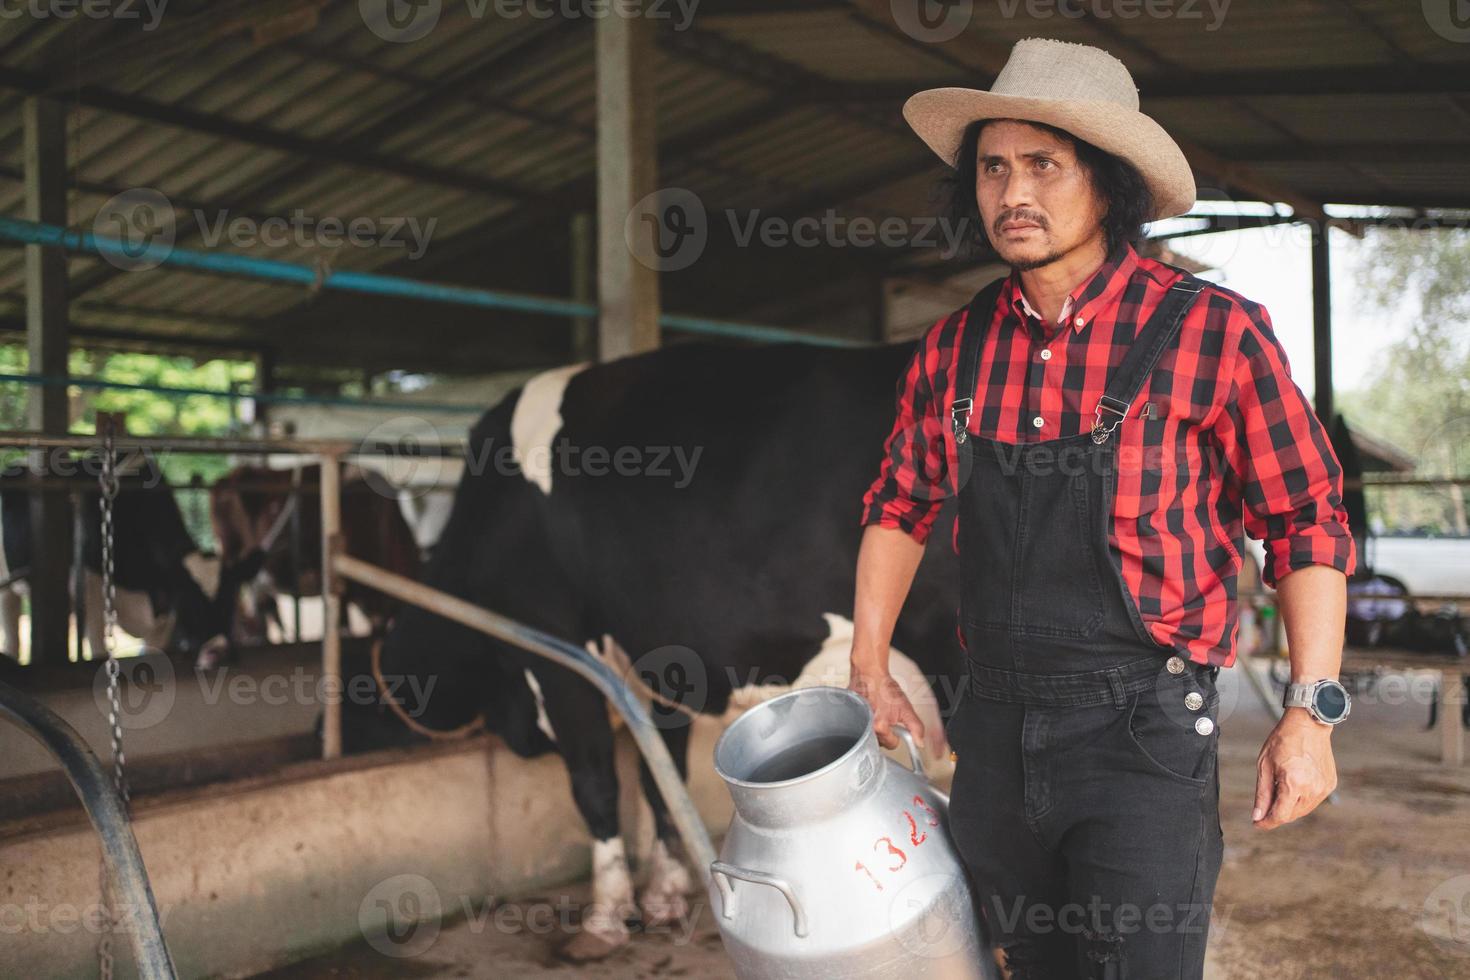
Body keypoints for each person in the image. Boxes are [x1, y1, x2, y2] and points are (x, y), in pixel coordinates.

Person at [847, 37, 1356, 979]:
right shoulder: (953, 349)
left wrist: (1311, 713)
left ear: (1109, 183)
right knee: (1025, 967)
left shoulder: (1213, 330)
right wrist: (868, 662)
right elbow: (899, 501)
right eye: (993, 168)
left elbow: (1305, 518)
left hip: (1143, 732)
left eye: (1043, 164)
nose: (1013, 194)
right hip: (992, 727)